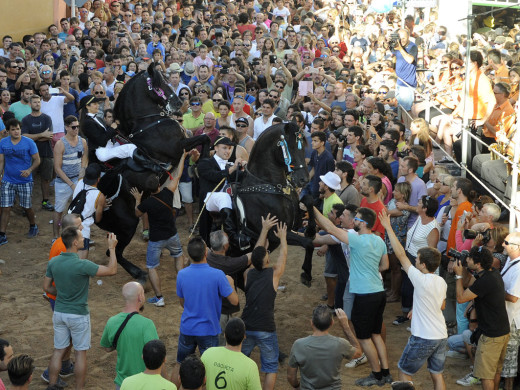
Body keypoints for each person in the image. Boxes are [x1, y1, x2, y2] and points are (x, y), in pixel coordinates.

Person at [313, 206, 391, 386]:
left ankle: (376, 374)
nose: (354, 221)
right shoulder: (378, 240)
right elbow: (385, 265)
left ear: (363, 224)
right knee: (376, 334)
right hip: (378, 292)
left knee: (364, 337)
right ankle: (385, 372)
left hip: (364, 294)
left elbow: (331, 228)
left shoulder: (356, 240)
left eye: (356, 219)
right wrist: (369, 271)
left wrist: (313, 209)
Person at [43, 227, 119, 389]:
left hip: (60, 312)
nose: (84, 238)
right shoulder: (82, 264)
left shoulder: (53, 262)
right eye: (81, 237)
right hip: (78, 315)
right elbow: (112, 270)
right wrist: (111, 248)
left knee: (58, 350)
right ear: (75, 242)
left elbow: (47, 287)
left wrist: (63, 294)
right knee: (80, 353)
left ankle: (52, 385)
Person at [380, 209, 447, 390]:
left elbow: (401, 255)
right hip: (441, 335)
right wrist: (417, 308)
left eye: (417, 259)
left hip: (424, 337)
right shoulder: (441, 281)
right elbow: (441, 305)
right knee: (437, 374)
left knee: (404, 372)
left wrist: (388, 227)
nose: (415, 260)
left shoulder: (419, 278)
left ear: (423, 265)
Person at [131, 153, 188, 307]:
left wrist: (137, 199)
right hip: (172, 234)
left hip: (156, 239)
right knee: (178, 257)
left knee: (151, 267)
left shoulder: (147, 203)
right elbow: (178, 174)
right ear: (158, 185)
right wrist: (182, 157)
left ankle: (159, 298)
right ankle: (186, 290)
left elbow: (137, 213)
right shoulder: (168, 192)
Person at [454, 246, 510, 389]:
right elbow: (469, 284)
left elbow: (461, 298)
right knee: (495, 372)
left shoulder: (484, 281)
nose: (467, 259)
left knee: (485, 376)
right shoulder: (492, 273)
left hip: (490, 335)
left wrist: (458, 276)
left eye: (470, 258)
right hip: (502, 330)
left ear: (478, 264)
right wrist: (465, 268)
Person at [176, 236, 239, 363]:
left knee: (181, 365)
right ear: (206, 253)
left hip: (187, 328)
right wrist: (231, 284)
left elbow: (182, 303)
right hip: (209, 330)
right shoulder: (218, 275)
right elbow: (234, 301)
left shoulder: (181, 275)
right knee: (211, 368)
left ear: (190, 255)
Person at [241, 220, 288, 390]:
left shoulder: (248, 273)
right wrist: (283, 238)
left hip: (246, 325)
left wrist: (264, 229)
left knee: (239, 360)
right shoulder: (274, 274)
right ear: (267, 262)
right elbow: (283, 256)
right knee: (270, 367)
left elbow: (256, 253)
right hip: (266, 327)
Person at [287, 306, 362, 390]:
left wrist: (296, 386)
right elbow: (358, 353)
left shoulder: (299, 344)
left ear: (312, 323)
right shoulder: (340, 344)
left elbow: (291, 376)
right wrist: (346, 327)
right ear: (332, 323)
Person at [101, 282, 159, 389]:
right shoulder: (147, 324)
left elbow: (107, 348)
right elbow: (157, 354)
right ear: (140, 297)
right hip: (144, 384)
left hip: (123, 383)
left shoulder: (112, 321)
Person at [196, 135, 249, 249]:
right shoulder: (205, 162)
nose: (228, 151)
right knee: (224, 197)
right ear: (216, 148)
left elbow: (239, 177)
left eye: (230, 148)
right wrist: (233, 168)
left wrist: (246, 169)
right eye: (224, 148)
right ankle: (233, 236)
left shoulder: (230, 165)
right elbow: (215, 176)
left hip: (225, 199)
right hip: (209, 198)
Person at [0, 118, 41, 246]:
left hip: (25, 181)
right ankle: (2, 234)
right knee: (5, 207)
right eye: (13, 130)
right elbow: (1, 161)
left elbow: (37, 160)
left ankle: (33, 225)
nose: (16, 132)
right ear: (8, 131)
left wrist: (29, 170)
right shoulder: (3, 143)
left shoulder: (29, 143)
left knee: (26, 206)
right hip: (8, 179)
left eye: (18, 129)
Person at [52, 116, 88, 239]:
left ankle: (80, 236)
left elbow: (84, 159)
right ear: (67, 127)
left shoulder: (82, 141)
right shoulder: (60, 144)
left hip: (77, 179)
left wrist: (80, 177)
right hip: (63, 182)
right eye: (73, 127)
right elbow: (57, 168)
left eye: (77, 126)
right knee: (59, 210)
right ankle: (56, 237)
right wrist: (71, 184)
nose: (76, 129)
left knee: (79, 210)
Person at [201, 318, 262, 390]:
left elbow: (198, 383)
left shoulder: (208, 353)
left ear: (225, 335)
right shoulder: (250, 366)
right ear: (244, 336)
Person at [20, 94, 54, 211]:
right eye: (34, 102)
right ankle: (26, 204)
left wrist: (33, 137)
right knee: (29, 180)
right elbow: (24, 136)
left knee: (46, 179)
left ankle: (45, 201)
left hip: (46, 152)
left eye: (38, 102)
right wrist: (41, 135)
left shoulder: (47, 118)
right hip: (30, 155)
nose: (37, 104)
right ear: (30, 104)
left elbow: (49, 136)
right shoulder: (26, 119)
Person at [499, 232, 520, 390]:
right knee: (505, 358)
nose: (502, 245)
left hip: (513, 319)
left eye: (506, 242)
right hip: (505, 316)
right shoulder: (509, 260)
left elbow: (513, 297)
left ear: (516, 247)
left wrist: (493, 292)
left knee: (510, 361)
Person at [79, 95, 116, 164]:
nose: (98, 105)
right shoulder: (88, 123)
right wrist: (112, 128)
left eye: (97, 103)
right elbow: (101, 141)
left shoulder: (98, 119)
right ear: (87, 106)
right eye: (95, 104)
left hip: (109, 148)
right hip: (99, 155)